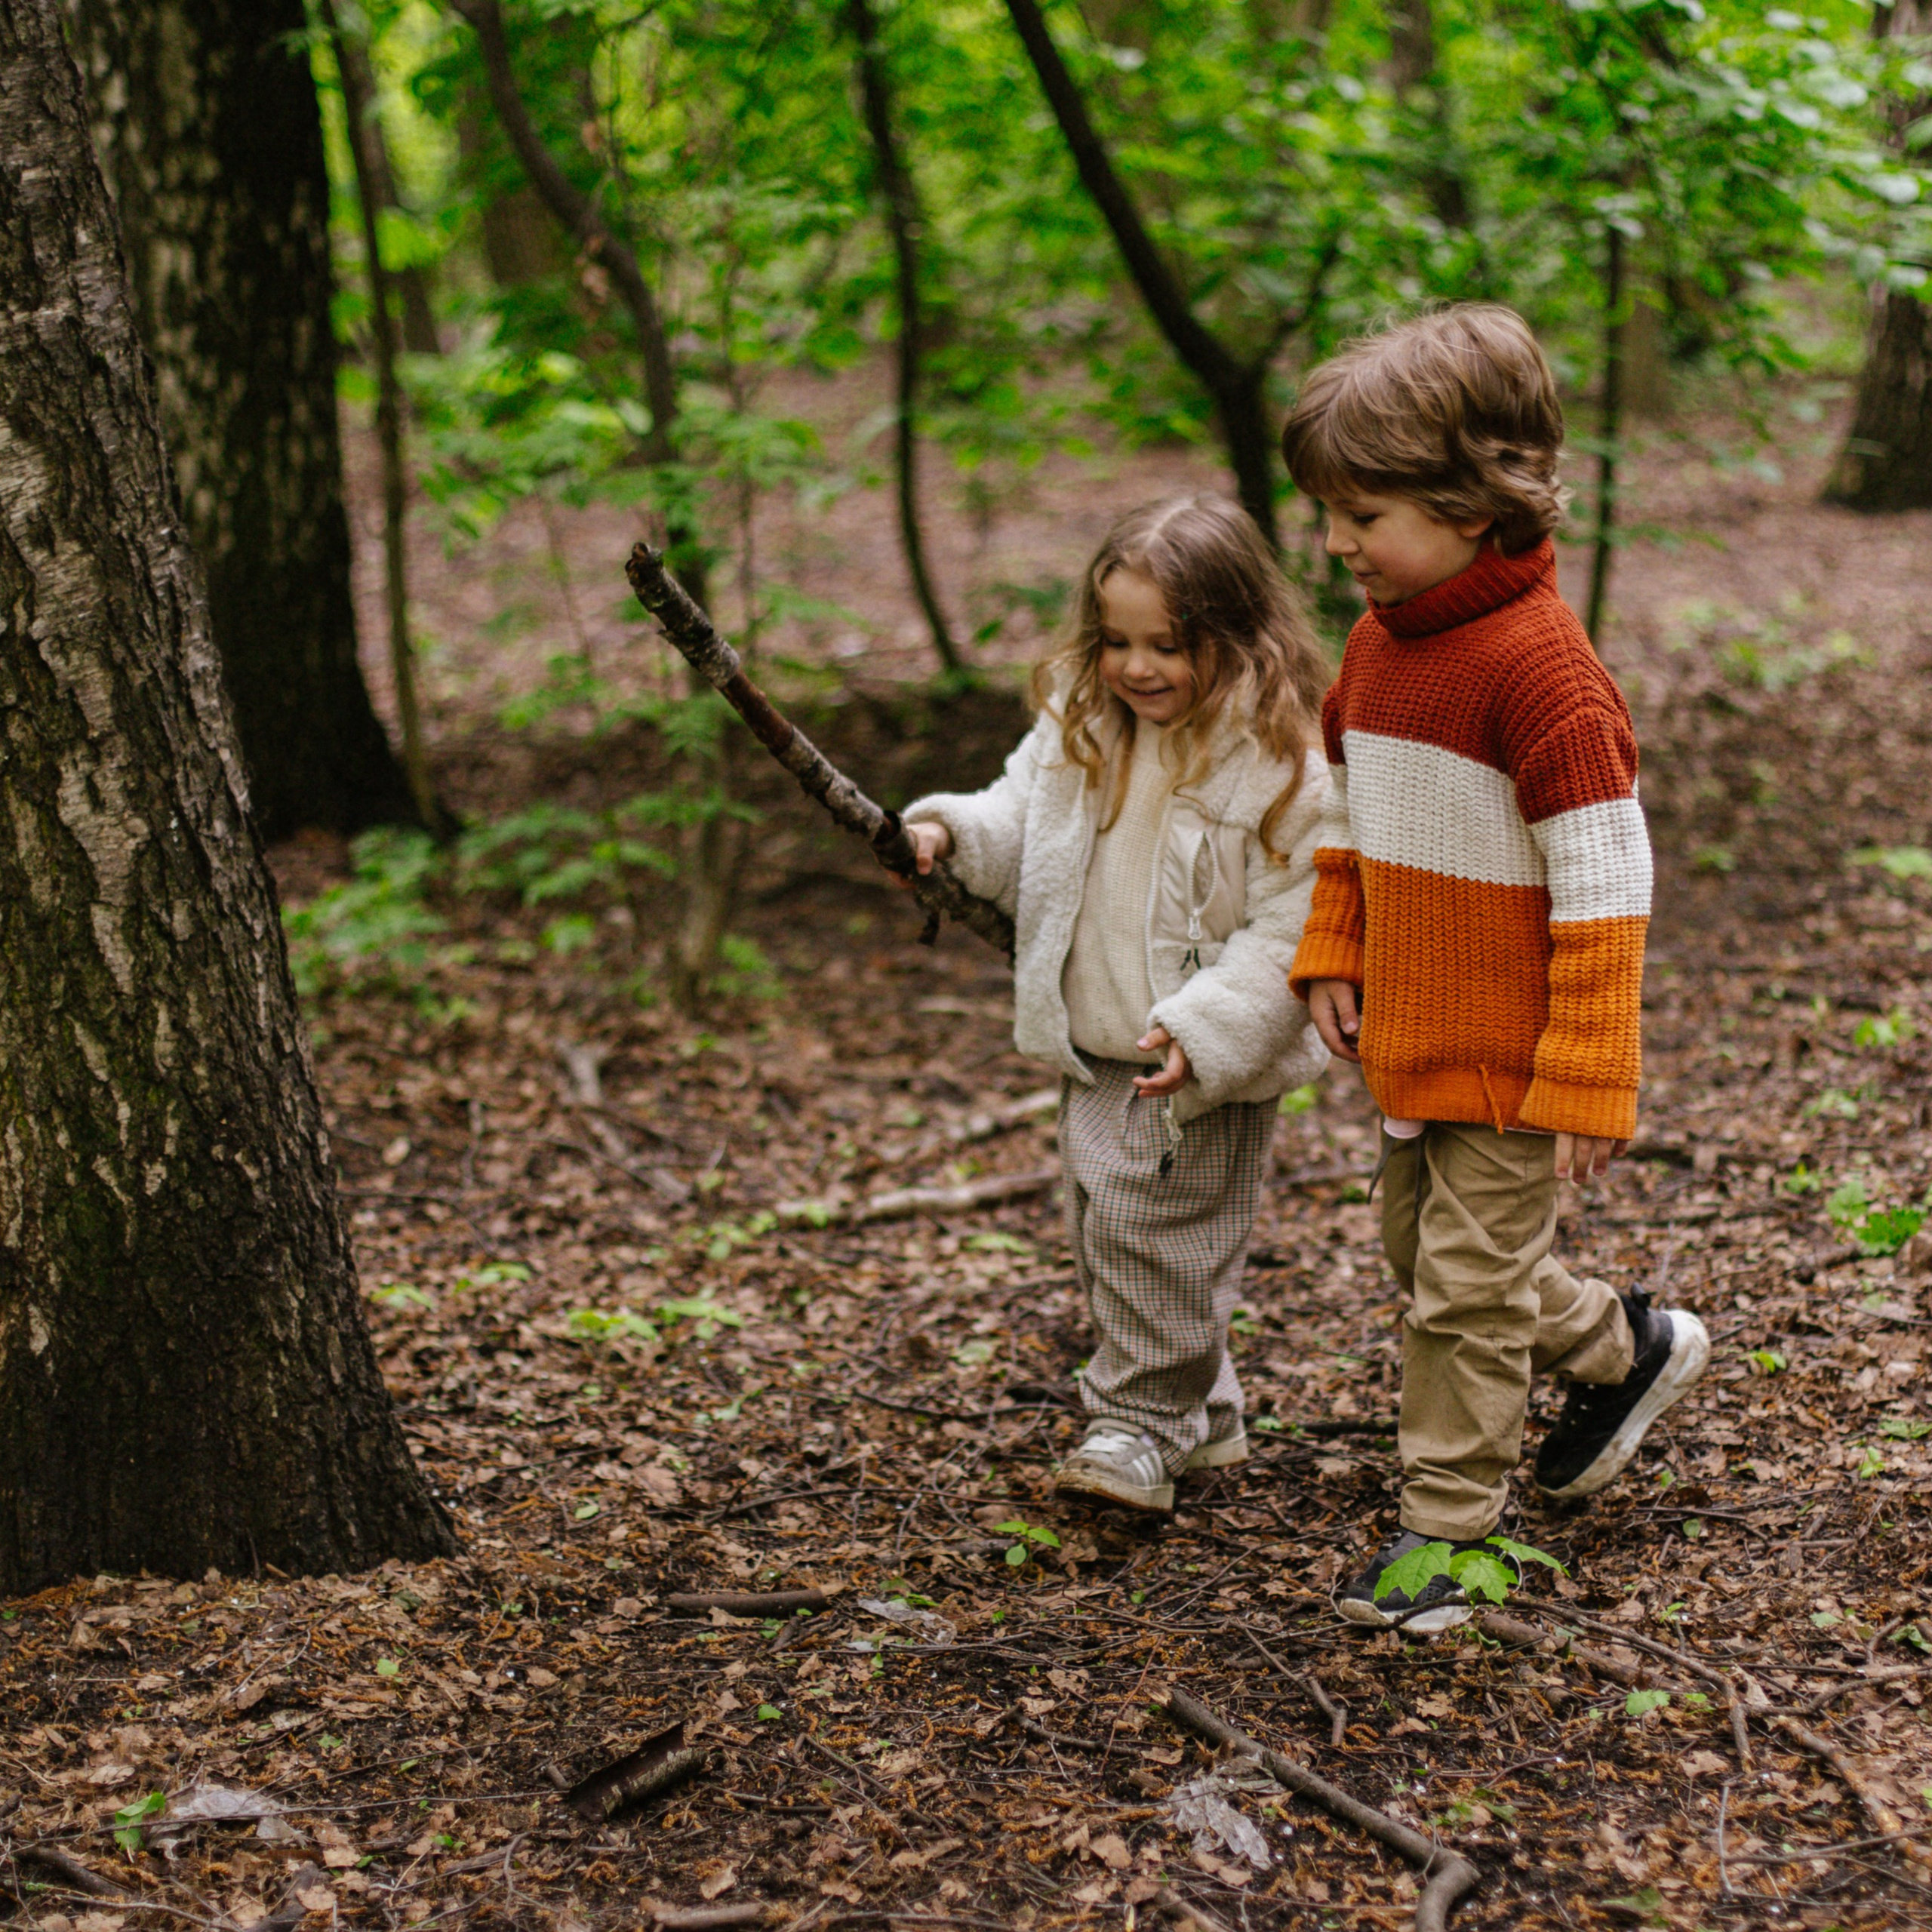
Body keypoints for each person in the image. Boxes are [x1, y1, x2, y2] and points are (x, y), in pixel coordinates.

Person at [1281, 305, 1709, 1632]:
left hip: (1516, 1046)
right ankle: (1622, 1348)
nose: (1338, 543)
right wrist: (1334, 946)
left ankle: (1444, 1542)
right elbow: (1349, 814)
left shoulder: (1548, 677)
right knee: (1426, 1252)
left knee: (1461, 1293)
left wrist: (1587, 1072)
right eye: (1332, 515)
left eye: (1367, 514)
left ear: (1478, 503)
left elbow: (1606, 887)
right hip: (1414, 1019)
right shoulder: (1376, 645)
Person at [901, 494, 1331, 1512]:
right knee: (1108, 1233)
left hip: (1189, 1058)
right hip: (1096, 1043)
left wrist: (1208, 1028)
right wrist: (951, 835)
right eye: (1117, 642)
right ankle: (1207, 1417)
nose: (1139, 669)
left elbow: (1289, 929)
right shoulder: (1081, 728)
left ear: (1240, 640)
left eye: (1170, 646)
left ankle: (1140, 1425)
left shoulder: (1279, 769)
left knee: (1153, 1236)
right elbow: (1018, 821)